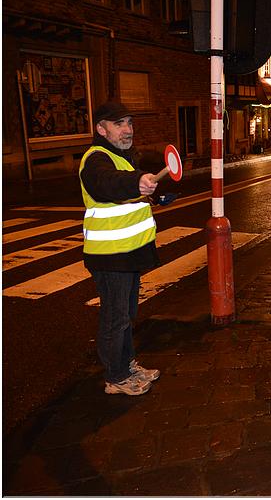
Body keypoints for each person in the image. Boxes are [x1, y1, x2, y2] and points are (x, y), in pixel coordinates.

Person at [79, 100, 161, 396]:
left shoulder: (122, 156)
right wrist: (136, 180)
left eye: (129, 123)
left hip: (126, 253)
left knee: (126, 315)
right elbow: (106, 184)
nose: (128, 130)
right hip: (109, 255)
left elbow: (122, 197)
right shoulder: (97, 158)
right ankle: (115, 377)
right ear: (101, 129)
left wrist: (146, 194)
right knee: (115, 318)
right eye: (119, 124)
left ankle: (126, 365)